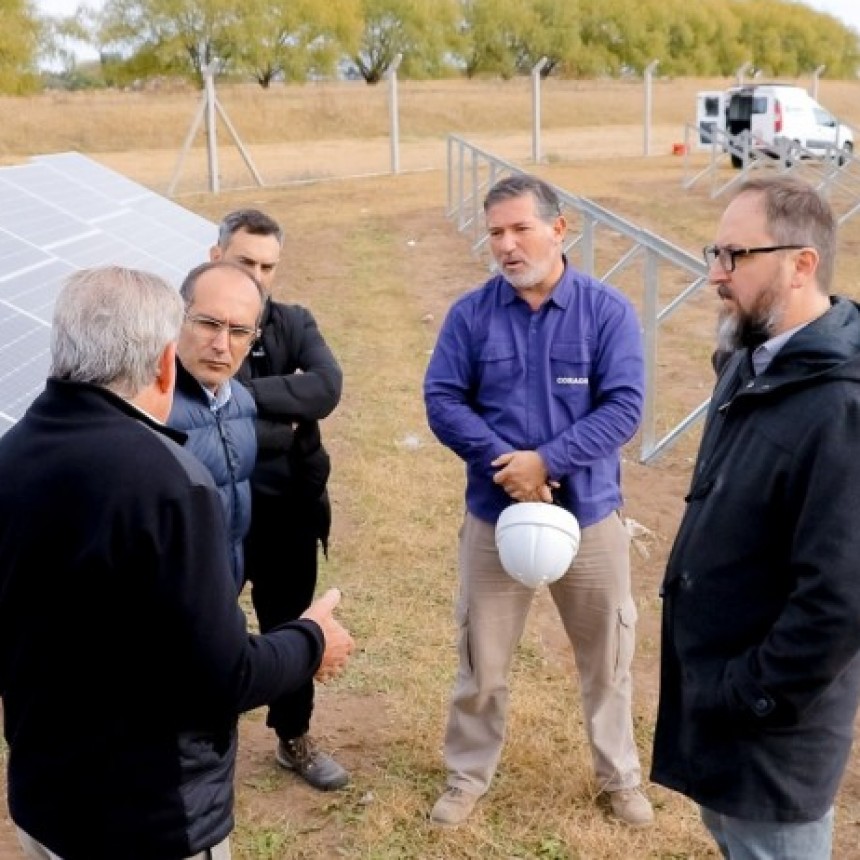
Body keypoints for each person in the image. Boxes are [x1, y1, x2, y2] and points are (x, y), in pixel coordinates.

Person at [0, 266, 355, 860]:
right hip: (149, 816)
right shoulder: (169, 483)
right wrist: (312, 640)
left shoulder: (12, 454)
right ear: (166, 362)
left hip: (45, 802)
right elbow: (223, 678)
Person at [422, 173, 653, 828]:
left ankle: (620, 778)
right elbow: (442, 399)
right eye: (496, 232)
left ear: (558, 228)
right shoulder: (471, 315)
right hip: (496, 515)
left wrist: (547, 463)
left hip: (589, 514)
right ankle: (467, 776)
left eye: (520, 228)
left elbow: (624, 406)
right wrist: (509, 466)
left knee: (608, 656)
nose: (506, 245)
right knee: (483, 659)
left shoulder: (606, 312)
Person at [651, 174, 860, 859]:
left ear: (803, 264)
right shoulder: (753, 363)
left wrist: (749, 694)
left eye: (735, 256)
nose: (715, 273)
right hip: (721, 715)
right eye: (715, 253)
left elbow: (839, 600)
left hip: (774, 739)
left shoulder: (842, 407)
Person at [210, 209, 347, 791]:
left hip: (287, 512)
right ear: (216, 256)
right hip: (214, 514)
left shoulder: (295, 322)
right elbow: (188, 413)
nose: (258, 276)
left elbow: (325, 388)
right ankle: (200, 744)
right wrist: (279, 423)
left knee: (292, 625)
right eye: (246, 261)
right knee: (203, 628)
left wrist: (234, 393)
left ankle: (294, 737)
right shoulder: (194, 325)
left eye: (269, 266)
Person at [168, 260, 264, 591]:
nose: (222, 345)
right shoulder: (148, 411)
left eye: (239, 331)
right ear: (177, 319)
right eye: (209, 324)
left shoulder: (242, 403)